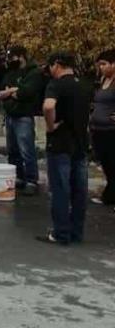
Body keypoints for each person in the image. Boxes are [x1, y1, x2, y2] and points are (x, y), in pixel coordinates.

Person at [37, 52, 92, 245]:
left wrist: (51, 126)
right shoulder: (84, 85)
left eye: (50, 66)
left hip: (60, 143)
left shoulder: (56, 84)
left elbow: (48, 106)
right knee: (79, 190)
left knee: (60, 189)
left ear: (57, 65)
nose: (50, 70)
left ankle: (61, 233)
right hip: (81, 142)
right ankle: (76, 233)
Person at [0, 45, 46, 196]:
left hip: (24, 116)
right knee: (13, 150)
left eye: (12, 57)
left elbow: (27, 92)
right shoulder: (10, 73)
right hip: (11, 115)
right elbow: (0, 93)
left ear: (21, 57)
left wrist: (11, 91)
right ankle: (18, 176)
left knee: (27, 149)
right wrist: (13, 91)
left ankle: (32, 179)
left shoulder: (34, 73)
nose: (10, 60)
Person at [90, 49, 115, 207]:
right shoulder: (102, 80)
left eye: (104, 64)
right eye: (99, 65)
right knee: (106, 165)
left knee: (113, 164)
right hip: (98, 130)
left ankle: (110, 196)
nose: (101, 68)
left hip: (111, 131)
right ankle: (110, 196)